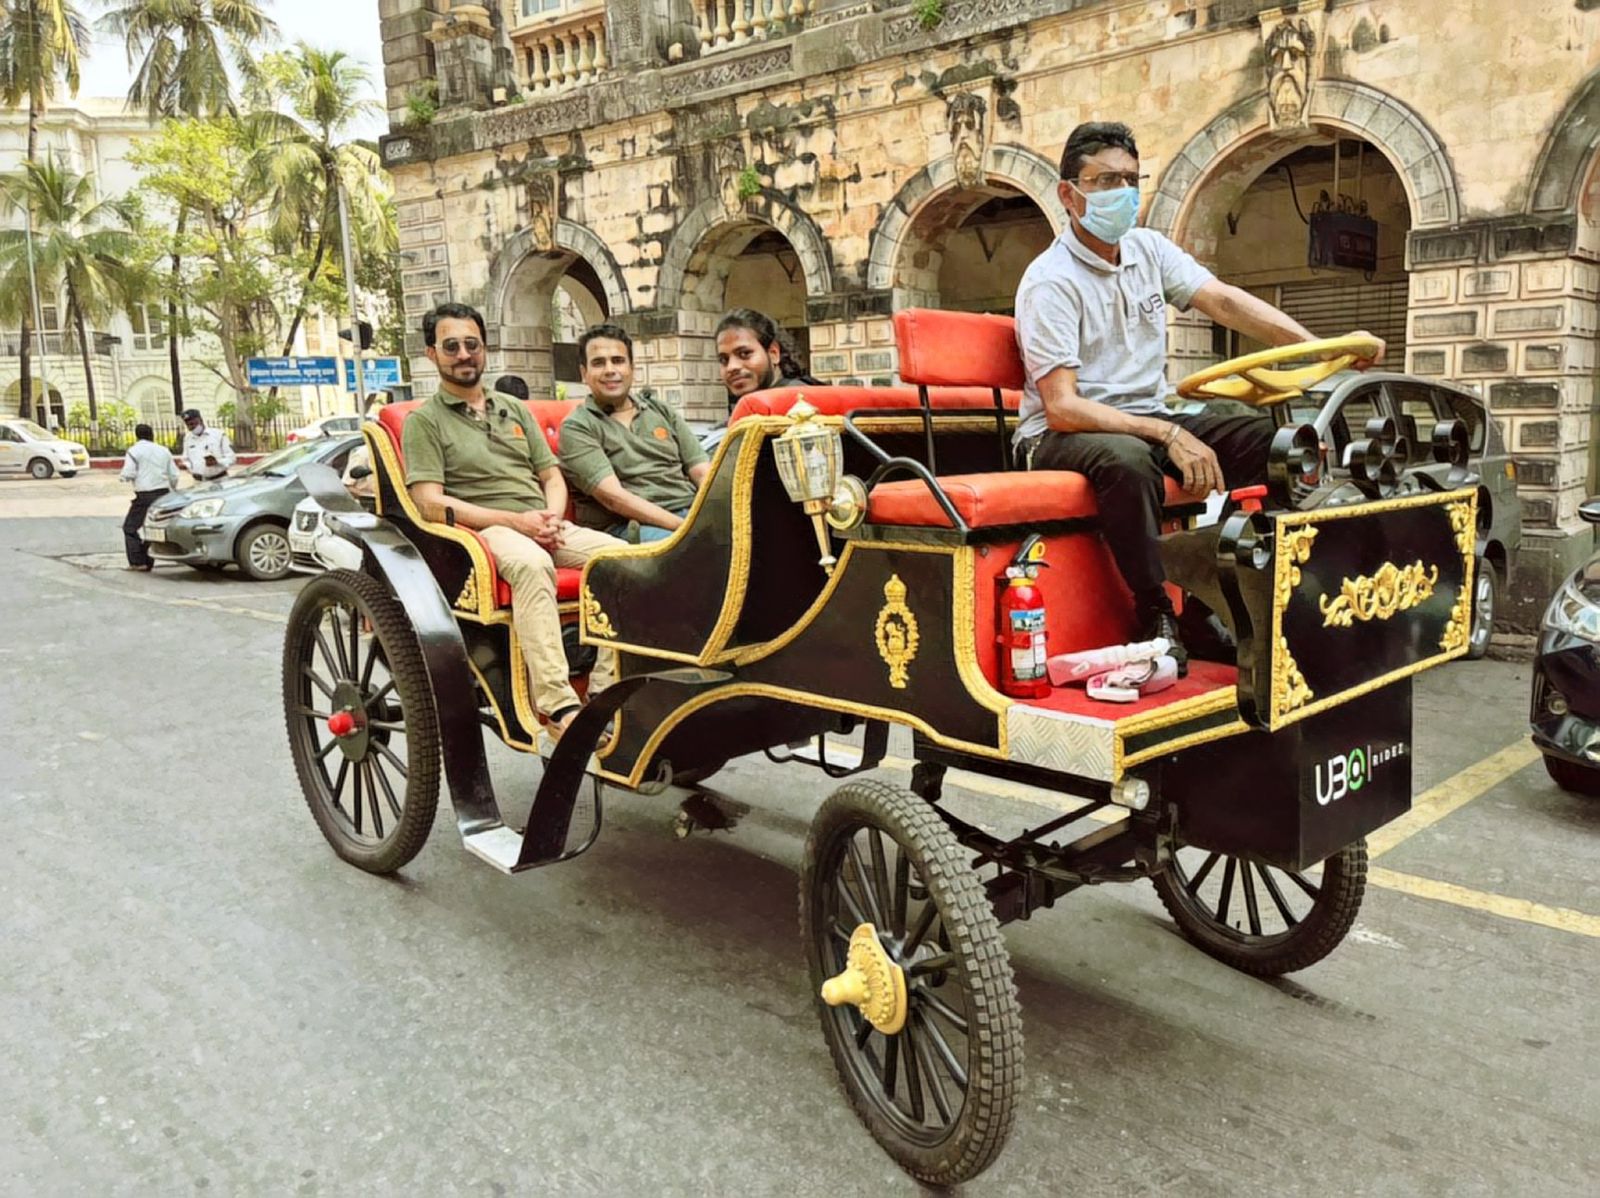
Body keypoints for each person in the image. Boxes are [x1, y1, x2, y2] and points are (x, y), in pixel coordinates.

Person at [1014, 120, 1383, 671]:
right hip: (1058, 434)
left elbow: (1226, 302)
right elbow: (1063, 407)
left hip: (1147, 416)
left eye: (1130, 181)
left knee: (1267, 438)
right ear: (1069, 194)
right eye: (1105, 181)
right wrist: (1169, 432)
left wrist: (1321, 346)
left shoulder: (1147, 250)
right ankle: (1157, 610)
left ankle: (1222, 583)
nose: (1122, 194)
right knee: (1129, 461)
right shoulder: (1051, 280)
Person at [402, 302, 622, 741]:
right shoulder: (424, 422)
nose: (464, 354)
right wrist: (516, 522)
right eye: (451, 346)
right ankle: (559, 706)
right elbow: (427, 501)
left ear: (484, 349)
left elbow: (551, 476)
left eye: (472, 345)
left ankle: (606, 689)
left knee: (627, 558)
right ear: (432, 354)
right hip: (485, 530)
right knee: (531, 565)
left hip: (541, 522)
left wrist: (551, 519)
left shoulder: (514, 409)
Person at [558, 323, 711, 543]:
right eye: (599, 363)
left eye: (618, 361)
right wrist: (684, 527)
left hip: (689, 512)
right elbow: (614, 498)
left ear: (632, 368)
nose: (610, 370)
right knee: (693, 550)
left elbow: (702, 472)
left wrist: (715, 515)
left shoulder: (661, 411)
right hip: (628, 527)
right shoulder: (578, 426)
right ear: (584, 373)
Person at [715, 309, 822, 409]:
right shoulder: (754, 408)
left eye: (744, 353)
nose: (732, 367)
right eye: (724, 360)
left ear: (773, 353)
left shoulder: (802, 405)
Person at [119, 423, 178, 571]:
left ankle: (138, 561)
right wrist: (172, 490)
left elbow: (129, 473)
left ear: (137, 435)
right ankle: (148, 559)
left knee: (130, 528)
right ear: (152, 434)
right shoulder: (164, 451)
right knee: (153, 527)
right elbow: (174, 475)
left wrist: (123, 478)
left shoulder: (134, 451)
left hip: (144, 494)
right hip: (163, 494)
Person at [180, 408, 236, 481]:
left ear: (201, 420)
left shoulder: (218, 435)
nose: (191, 427)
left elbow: (231, 458)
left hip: (219, 479)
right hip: (198, 481)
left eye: (193, 424)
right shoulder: (188, 439)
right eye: (188, 425)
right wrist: (185, 465)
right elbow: (186, 459)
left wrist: (217, 462)